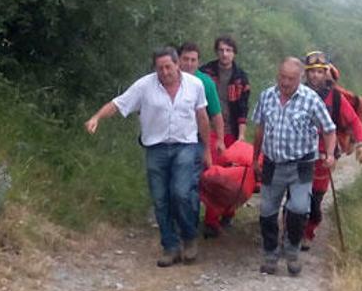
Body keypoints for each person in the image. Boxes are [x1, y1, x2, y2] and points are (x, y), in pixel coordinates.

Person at [85, 47, 212, 267]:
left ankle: (189, 237)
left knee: (181, 193)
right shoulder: (144, 86)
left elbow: (202, 117)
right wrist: (97, 117)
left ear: (177, 65)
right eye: (160, 68)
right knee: (160, 199)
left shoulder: (195, 85)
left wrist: (207, 149)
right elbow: (119, 103)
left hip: (186, 145)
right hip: (156, 148)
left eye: (168, 67)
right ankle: (170, 247)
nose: (164, 72)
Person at [251, 57, 336, 276]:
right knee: (268, 211)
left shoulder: (311, 100)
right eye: (282, 77)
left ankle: (292, 250)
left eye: (290, 78)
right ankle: (270, 255)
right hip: (272, 162)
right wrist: (255, 157)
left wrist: (329, 153)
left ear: (300, 78)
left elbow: (329, 129)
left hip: (301, 164)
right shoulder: (267, 96)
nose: (285, 82)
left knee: (298, 208)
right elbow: (259, 128)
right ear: (277, 75)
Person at [302, 51, 362, 251]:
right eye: (312, 71)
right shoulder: (298, 92)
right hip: (299, 153)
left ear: (326, 73)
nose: (315, 75)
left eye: (319, 71)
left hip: (325, 156)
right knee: (295, 195)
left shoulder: (336, 98)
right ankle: (293, 230)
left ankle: (309, 230)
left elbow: (354, 122)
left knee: (315, 197)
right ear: (306, 74)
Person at [199, 35, 251, 236]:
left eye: (228, 50)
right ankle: (211, 221)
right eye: (221, 50)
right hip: (209, 129)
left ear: (234, 53)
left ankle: (229, 211)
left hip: (231, 131)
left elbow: (243, 108)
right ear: (216, 52)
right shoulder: (205, 73)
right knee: (214, 174)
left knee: (233, 175)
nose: (224, 54)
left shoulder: (241, 77)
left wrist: (241, 135)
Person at [178, 42, 226, 160]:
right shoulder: (169, 78)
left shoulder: (206, 83)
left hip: (196, 137)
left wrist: (220, 140)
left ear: (198, 62)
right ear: (178, 60)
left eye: (193, 60)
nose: (189, 64)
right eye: (185, 59)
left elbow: (216, 114)